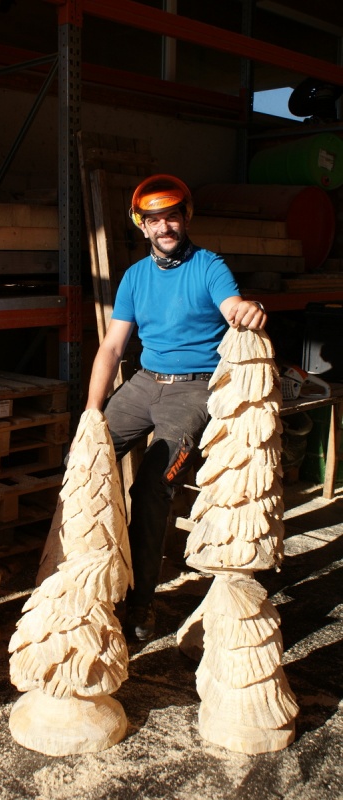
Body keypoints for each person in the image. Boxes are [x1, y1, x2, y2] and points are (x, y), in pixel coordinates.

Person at [85, 174, 267, 642]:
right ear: (141, 226)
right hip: (144, 383)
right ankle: (77, 575)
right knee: (82, 459)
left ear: (185, 218)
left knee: (152, 487)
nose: (164, 227)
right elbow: (112, 348)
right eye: (154, 220)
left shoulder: (209, 266)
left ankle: (141, 602)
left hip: (194, 390)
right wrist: (91, 412)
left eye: (171, 217)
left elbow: (233, 307)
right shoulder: (134, 277)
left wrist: (248, 309)